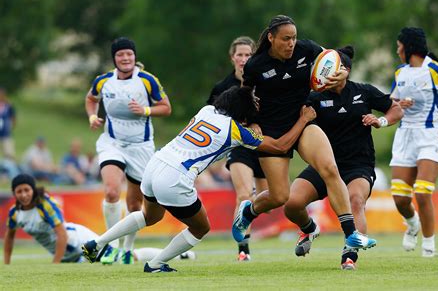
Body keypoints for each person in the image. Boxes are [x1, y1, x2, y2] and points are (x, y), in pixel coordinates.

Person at [82, 86, 317, 273]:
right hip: (175, 176)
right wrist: (303, 119)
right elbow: (280, 146)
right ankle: (155, 264)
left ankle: (98, 243)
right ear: (244, 111)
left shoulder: (206, 112)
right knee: (200, 227)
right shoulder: (235, 130)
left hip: (156, 163)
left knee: (149, 216)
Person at [232, 15, 377, 254]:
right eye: (285, 39)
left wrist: (340, 72)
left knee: (330, 168)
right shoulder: (255, 65)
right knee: (280, 196)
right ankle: (249, 211)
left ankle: (351, 234)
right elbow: (244, 98)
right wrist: (253, 123)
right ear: (271, 38)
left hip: (304, 121)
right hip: (272, 130)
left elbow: (332, 58)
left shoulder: (305, 49)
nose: (291, 43)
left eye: (294, 38)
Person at [283, 46, 403, 270]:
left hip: (358, 165)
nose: (325, 75)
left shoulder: (364, 91)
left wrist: (381, 121)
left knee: (355, 200)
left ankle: (349, 257)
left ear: (344, 71)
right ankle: (309, 228)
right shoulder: (314, 97)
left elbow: (395, 110)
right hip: (323, 165)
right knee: (291, 204)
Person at [84, 37, 172, 265]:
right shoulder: (104, 81)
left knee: (135, 205)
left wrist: (144, 110)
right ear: (114, 58)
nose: (125, 58)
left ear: (134, 56)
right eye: (121, 55)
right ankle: (110, 248)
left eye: (129, 54)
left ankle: (127, 249)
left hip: (141, 148)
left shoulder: (147, 80)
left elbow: (166, 108)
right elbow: (91, 99)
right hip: (111, 143)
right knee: (112, 191)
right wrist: (92, 116)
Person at [389, 27, 438, 257]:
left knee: (423, 193)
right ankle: (412, 223)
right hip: (405, 136)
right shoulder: (399, 73)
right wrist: (397, 105)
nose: (397, 51)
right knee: (400, 199)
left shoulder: (435, 70)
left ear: (409, 47)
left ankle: (429, 248)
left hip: (430, 135)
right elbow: (390, 102)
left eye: (399, 46)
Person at [4, 174, 195, 264]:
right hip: (69, 255)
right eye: (19, 191)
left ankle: (181, 255)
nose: (23, 194)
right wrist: (6, 262)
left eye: (26, 189)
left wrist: (56, 263)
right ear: (14, 193)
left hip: (79, 242)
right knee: (121, 259)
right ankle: (179, 255)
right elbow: (9, 237)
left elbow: (61, 234)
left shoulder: (44, 205)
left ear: (33, 190)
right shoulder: (14, 212)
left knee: (123, 259)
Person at [207, 36, 268, 261]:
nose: (243, 59)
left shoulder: (265, 81)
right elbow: (212, 119)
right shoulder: (222, 88)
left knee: (271, 199)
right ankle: (243, 250)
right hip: (240, 147)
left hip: (265, 146)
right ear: (232, 58)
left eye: (248, 55)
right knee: (244, 195)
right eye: (240, 55)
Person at [0, 87, 16, 160]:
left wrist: (11, 126)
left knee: (8, 154)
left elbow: (13, 117)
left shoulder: (8, 105)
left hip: (5, 132)